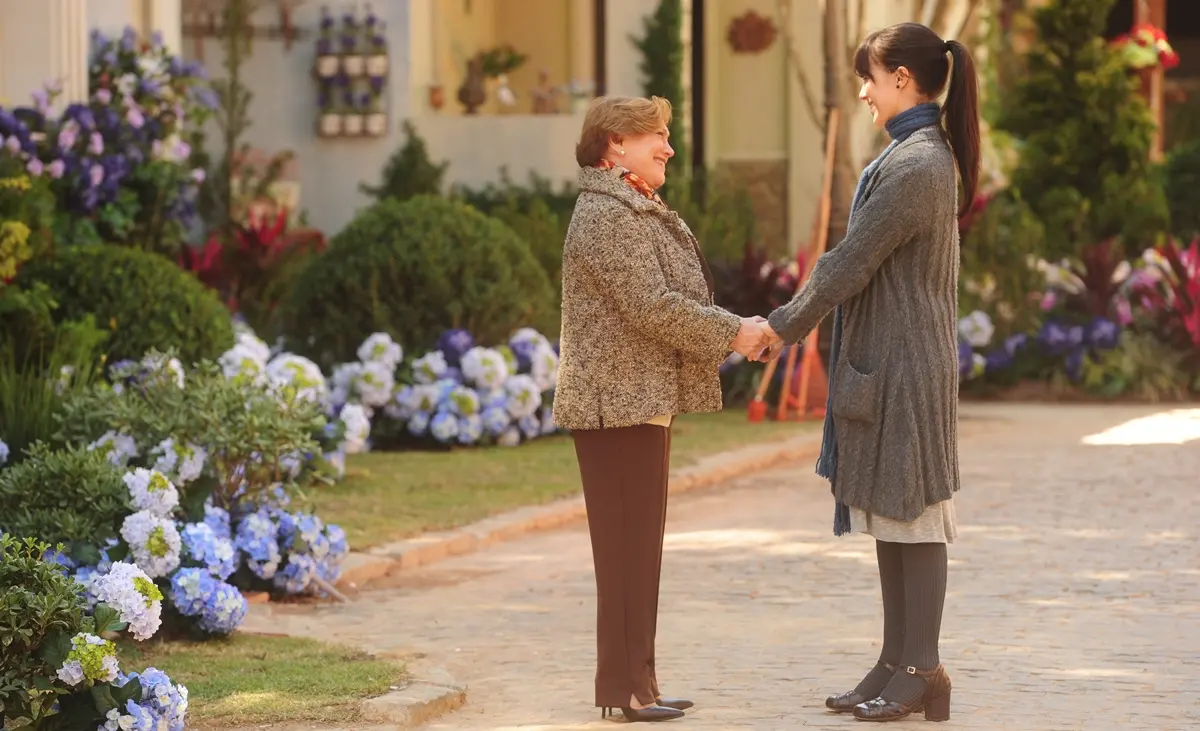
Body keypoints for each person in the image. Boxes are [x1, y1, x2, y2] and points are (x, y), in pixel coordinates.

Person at [759, 22, 980, 723]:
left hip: (908, 367)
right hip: (891, 360)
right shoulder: (912, 156)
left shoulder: (918, 165)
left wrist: (782, 326)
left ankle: (924, 668)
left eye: (872, 77)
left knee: (917, 513)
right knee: (891, 513)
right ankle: (895, 660)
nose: (863, 90)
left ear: (904, 81)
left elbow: (848, 262)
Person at [554, 95, 772, 723]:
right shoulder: (605, 214)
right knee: (624, 550)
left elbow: (662, 301)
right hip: (614, 407)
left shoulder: (630, 207)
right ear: (613, 144)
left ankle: (639, 684)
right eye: (655, 135)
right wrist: (736, 332)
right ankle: (622, 686)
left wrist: (734, 329)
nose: (668, 147)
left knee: (639, 548)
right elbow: (653, 305)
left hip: (638, 400)